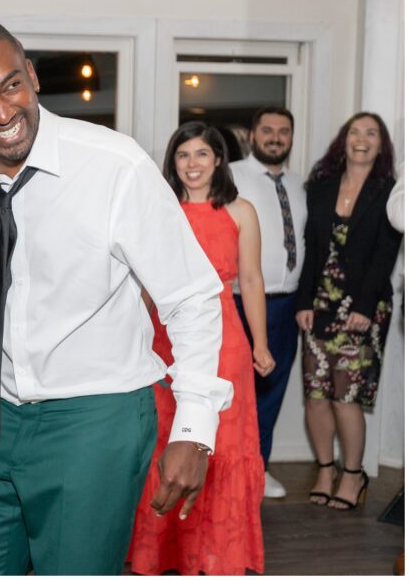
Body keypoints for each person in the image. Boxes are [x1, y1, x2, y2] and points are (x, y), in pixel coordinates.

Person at [0, 18, 232, 575]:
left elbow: (190, 298)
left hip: (96, 420)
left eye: (10, 86)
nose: (0, 112)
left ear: (33, 77)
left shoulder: (115, 166)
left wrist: (194, 427)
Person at [129, 122, 275, 575]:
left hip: (226, 341)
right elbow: (144, 287)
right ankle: (158, 555)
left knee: (222, 444)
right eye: (183, 156)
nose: (192, 164)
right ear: (173, 164)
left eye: (201, 155)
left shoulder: (241, 211)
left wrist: (261, 343)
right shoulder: (161, 211)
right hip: (163, 339)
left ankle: (219, 555)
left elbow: (250, 280)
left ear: (217, 161)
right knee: (163, 441)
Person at [296, 112, 400, 511]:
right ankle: (326, 469)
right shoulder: (319, 188)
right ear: (344, 140)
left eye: (371, 133)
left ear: (381, 145)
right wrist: (304, 300)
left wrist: (363, 306)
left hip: (362, 308)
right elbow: (310, 249)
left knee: (346, 397)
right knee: (316, 397)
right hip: (319, 306)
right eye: (355, 132)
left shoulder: (389, 191)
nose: (361, 139)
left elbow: (384, 255)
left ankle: (353, 474)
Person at [230, 106, 307, 499]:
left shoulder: (299, 183)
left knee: (271, 390)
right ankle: (230, 474)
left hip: (287, 303)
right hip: (241, 301)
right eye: (268, 130)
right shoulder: (231, 176)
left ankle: (258, 469)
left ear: (291, 137)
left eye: (283, 131)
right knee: (235, 393)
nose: (275, 137)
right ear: (253, 134)